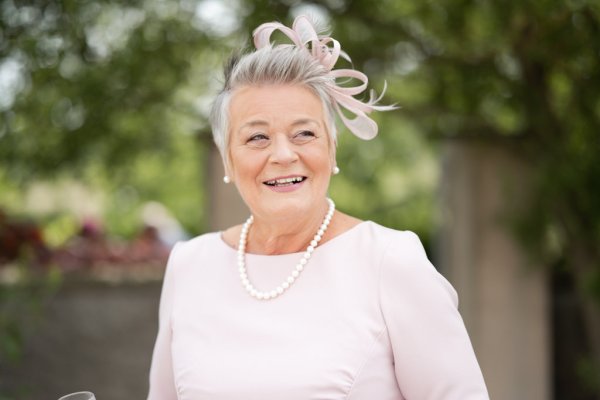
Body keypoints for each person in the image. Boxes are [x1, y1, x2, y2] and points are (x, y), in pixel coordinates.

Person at [147, 15, 489, 399]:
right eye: (257, 137)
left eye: (304, 133)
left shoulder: (389, 261)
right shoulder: (189, 265)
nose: (282, 154)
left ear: (331, 148)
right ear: (227, 159)